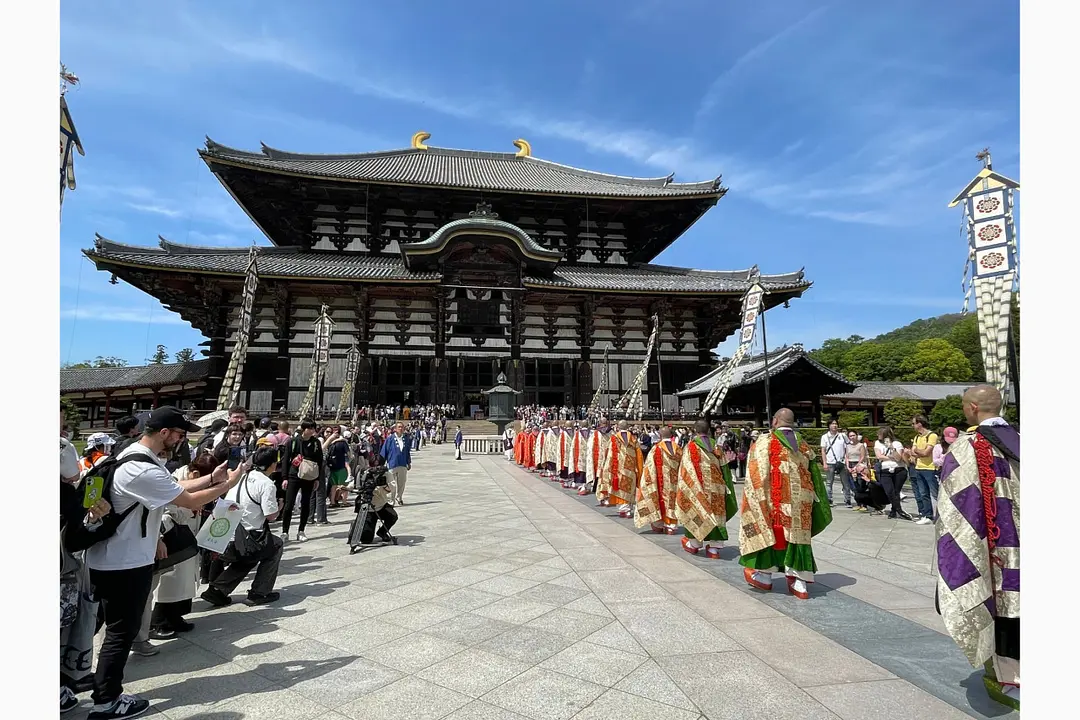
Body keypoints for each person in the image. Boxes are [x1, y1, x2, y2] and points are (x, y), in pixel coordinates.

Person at [82, 407, 247, 720]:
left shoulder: (135, 455)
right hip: (125, 562)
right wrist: (228, 484)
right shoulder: (143, 469)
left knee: (96, 625)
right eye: (180, 434)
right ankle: (107, 700)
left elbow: (174, 489)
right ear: (164, 433)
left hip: (113, 558)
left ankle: (71, 681)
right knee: (121, 632)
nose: (181, 440)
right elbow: (188, 501)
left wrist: (212, 477)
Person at [934, 385, 1019, 709]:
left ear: (971, 408)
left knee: (1001, 608)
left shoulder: (968, 447)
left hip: (997, 550)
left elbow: (958, 511)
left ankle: (1010, 680)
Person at [740, 408, 831, 600]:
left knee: (771, 531)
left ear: (774, 421)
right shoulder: (804, 444)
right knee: (798, 536)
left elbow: (757, 472)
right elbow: (814, 475)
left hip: (777, 498)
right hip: (801, 500)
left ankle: (764, 576)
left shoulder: (765, 441)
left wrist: (756, 498)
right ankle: (800, 582)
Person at [202, 446, 284, 607]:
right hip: (244, 539)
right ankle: (259, 593)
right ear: (273, 465)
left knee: (251, 554)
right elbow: (271, 516)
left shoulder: (239, 477)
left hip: (223, 534)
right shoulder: (266, 484)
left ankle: (217, 590)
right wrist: (280, 506)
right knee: (274, 546)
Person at [148, 453, 215, 637]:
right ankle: (158, 621)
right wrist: (190, 509)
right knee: (171, 580)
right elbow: (166, 511)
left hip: (188, 536)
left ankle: (176, 616)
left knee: (185, 579)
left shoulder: (188, 479)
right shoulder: (174, 480)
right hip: (173, 537)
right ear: (194, 473)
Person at [676, 420, 737, 556]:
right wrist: (727, 487)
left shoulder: (691, 446)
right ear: (708, 430)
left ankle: (694, 544)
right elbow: (725, 469)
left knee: (698, 513)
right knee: (716, 515)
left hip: (699, 487)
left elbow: (685, 470)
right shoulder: (716, 446)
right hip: (717, 488)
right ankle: (714, 548)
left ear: (694, 430)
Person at [634, 426, 683, 535]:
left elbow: (649, 468)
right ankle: (672, 525)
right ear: (671, 436)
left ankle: (659, 524)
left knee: (659, 500)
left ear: (660, 436)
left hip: (661, 482)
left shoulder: (656, 449)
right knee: (673, 501)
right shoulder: (679, 449)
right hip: (675, 482)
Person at [281, 419, 323, 543]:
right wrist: (284, 477)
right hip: (293, 475)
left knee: (306, 504)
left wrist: (317, 478)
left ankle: (301, 530)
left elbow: (319, 461)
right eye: (310, 428)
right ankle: (285, 531)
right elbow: (285, 460)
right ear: (304, 429)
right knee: (289, 505)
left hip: (309, 476)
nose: (312, 431)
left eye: (313, 428)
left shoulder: (316, 443)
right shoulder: (293, 442)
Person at [602, 420, 644, 518]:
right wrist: (639, 469)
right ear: (628, 427)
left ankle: (623, 508)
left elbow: (609, 454)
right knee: (629, 488)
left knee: (620, 488)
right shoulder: (633, 439)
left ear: (618, 427)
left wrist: (608, 467)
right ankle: (627, 508)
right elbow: (639, 456)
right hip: (631, 469)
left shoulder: (614, 438)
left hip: (618, 469)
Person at [873, 427, 913, 521]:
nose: (878, 435)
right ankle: (900, 510)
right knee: (889, 491)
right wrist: (890, 457)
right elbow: (879, 456)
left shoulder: (897, 444)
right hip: (885, 470)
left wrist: (892, 448)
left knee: (896, 492)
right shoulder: (877, 443)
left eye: (880, 434)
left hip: (899, 469)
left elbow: (898, 458)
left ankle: (893, 511)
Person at [910, 415, 940, 524]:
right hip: (919, 467)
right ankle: (928, 515)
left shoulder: (932, 436)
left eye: (914, 423)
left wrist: (918, 451)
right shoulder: (917, 437)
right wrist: (919, 452)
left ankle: (941, 514)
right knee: (923, 493)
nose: (912, 425)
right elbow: (913, 453)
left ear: (920, 423)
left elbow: (926, 453)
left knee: (935, 493)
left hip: (930, 468)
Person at [819, 420, 852, 507]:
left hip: (842, 462)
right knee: (829, 482)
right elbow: (823, 451)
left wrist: (847, 460)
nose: (834, 425)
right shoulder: (825, 437)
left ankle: (847, 499)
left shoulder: (842, 435)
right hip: (830, 461)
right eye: (832, 424)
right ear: (829, 426)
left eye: (836, 424)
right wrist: (824, 463)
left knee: (845, 482)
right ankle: (829, 499)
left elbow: (848, 447)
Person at [380, 421, 412, 506]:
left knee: (402, 482)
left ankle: (399, 497)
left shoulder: (406, 439)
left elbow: (407, 452)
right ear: (395, 429)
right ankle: (391, 499)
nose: (401, 429)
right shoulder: (390, 439)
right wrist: (382, 463)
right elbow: (384, 451)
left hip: (402, 464)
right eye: (399, 427)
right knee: (391, 483)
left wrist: (408, 462)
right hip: (392, 464)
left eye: (402, 427)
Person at [323, 426, 351, 508]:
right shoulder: (343, 442)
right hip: (341, 465)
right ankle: (344, 502)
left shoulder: (330, 442)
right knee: (344, 484)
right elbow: (349, 455)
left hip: (332, 466)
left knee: (333, 485)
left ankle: (332, 501)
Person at [844, 430, 870, 513]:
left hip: (859, 465)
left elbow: (863, 456)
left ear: (856, 435)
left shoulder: (861, 445)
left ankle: (864, 504)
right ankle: (858, 503)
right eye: (850, 436)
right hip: (850, 464)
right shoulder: (848, 446)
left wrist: (856, 466)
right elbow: (847, 457)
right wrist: (848, 466)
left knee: (861, 484)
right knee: (854, 485)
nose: (852, 437)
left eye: (853, 435)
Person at [584, 418, 611, 496]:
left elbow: (590, 446)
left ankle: (596, 487)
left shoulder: (595, 433)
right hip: (608, 456)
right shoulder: (612, 433)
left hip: (598, 457)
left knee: (598, 472)